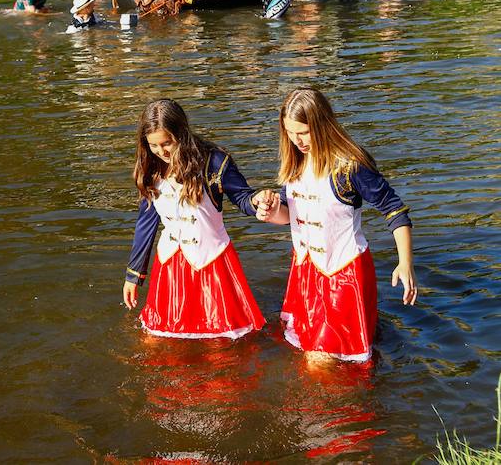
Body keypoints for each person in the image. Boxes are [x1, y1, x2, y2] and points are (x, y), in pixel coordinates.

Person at [256, 87, 417, 362]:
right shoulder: (295, 164)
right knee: (307, 350)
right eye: (290, 132)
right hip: (306, 271)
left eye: (303, 132)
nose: (297, 140)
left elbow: (394, 210)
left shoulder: (349, 167)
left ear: (321, 124)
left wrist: (405, 263)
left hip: (344, 274)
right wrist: (271, 212)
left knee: (320, 360)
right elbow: (289, 215)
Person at [123, 98, 272, 338]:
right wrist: (133, 275)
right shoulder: (150, 167)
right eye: (154, 145)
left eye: (167, 143)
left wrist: (257, 203)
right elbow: (146, 222)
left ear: (181, 134)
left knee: (219, 338)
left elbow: (242, 197)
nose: (161, 152)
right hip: (170, 265)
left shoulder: (214, 162)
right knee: (160, 337)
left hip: (213, 263)